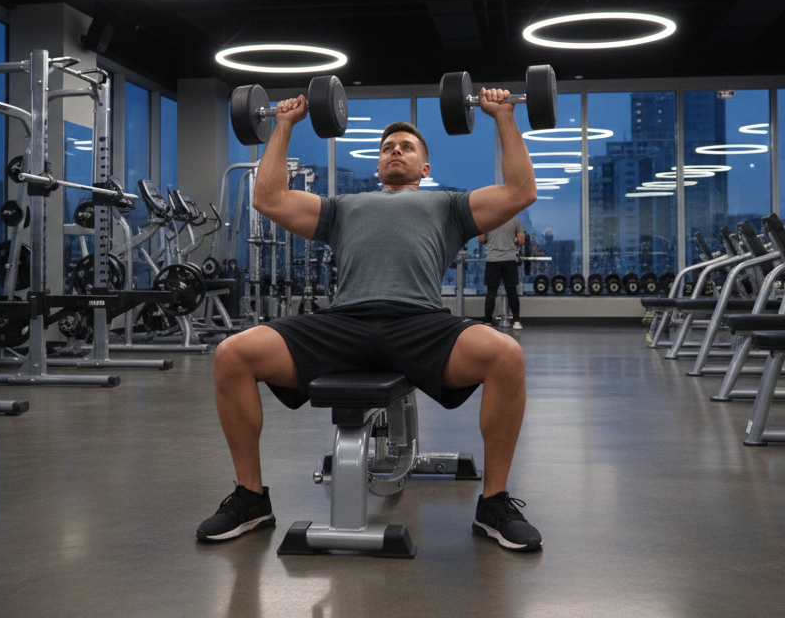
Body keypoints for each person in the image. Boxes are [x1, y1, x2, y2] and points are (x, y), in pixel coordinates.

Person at [196, 88, 543, 552]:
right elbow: (270, 199)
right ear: (378, 166)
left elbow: (522, 191)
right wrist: (283, 125)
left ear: (425, 168)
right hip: (345, 321)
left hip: (420, 322)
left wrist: (503, 116)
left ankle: (494, 502)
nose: (394, 151)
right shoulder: (343, 208)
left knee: (506, 355)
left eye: (406, 147)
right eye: (386, 148)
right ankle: (251, 497)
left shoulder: (449, 206)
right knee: (232, 353)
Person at [478, 217, 524, 330]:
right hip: (509, 259)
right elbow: (521, 240)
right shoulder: (515, 220)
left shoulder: (488, 220)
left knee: (491, 291)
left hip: (493, 260)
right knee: (512, 291)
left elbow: (481, 239)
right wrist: (509, 239)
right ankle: (516, 321)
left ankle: (487, 321)